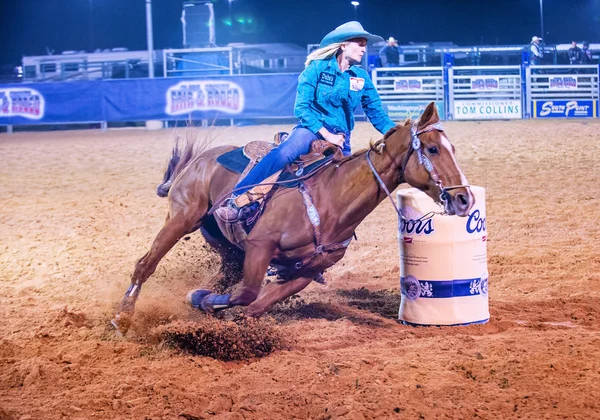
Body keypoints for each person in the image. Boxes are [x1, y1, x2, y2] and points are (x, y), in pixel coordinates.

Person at [215, 21, 397, 221]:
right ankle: (236, 198)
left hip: (342, 137)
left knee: (344, 187)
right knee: (285, 153)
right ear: (343, 45)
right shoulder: (317, 69)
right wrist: (328, 135)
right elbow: (302, 108)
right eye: (360, 43)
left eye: (365, 44)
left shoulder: (361, 78)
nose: (364, 48)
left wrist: (398, 133)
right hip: (312, 129)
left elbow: (376, 113)